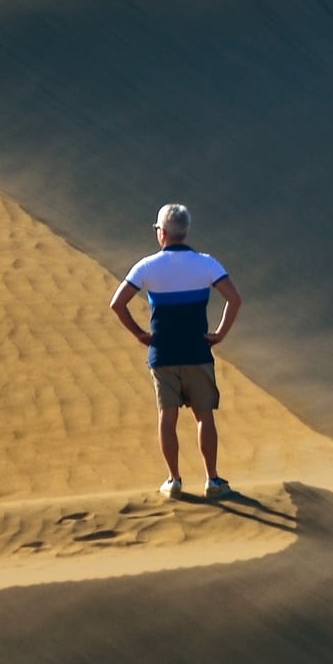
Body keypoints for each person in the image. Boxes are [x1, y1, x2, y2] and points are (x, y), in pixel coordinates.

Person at [106, 203, 243, 500]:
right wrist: (219, 334)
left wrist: (140, 334)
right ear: (185, 232)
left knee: (167, 417)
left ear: (163, 233)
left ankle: (174, 480)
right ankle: (213, 481)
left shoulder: (147, 266)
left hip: (163, 354)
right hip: (197, 351)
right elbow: (234, 299)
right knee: (204, 416)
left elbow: (117, 304)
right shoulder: (206, 263)